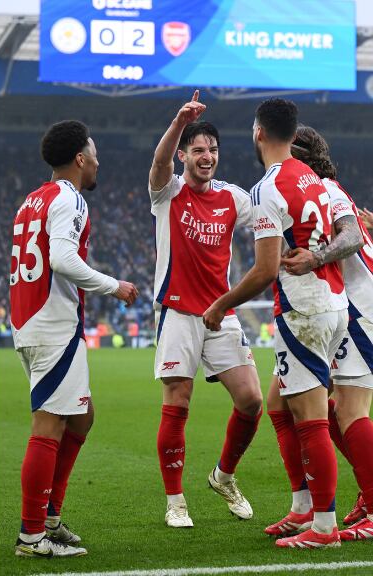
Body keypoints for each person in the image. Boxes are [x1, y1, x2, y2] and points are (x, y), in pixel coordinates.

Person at [202, 98, 363, 548]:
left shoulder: (266, 189)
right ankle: (302, 506)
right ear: (293, 134)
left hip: (303, 309)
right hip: (332, 304)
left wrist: (220, 305)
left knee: (310, 419)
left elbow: (266, 269)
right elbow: (346, 234)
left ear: (258, 133)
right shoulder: (319, 181)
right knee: (278, 404)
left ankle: (324, 526)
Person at [10, 120, 137, 558]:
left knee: (82, 419)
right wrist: (113, 285)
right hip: (51, 324)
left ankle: (49, 515)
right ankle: (31, 536)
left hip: (35, 320)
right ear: (80, 159)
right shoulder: (69, 198)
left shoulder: (33, 199)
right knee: (49, 426)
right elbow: (62, 259)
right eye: (95, 154)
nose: (99, 162)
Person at [149, 91, 262, 528]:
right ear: (183, 155)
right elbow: (159, 165)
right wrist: (179, 121)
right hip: (178, 313)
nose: (207, 156)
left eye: (212, 150)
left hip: (221, 313)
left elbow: (271, 221)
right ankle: (175, 501)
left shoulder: (234, 198)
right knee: (178, 401)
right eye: (198, 150)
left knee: (251, 400)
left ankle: (223, 477)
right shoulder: (168, 191)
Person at [263, 124, 373, 542]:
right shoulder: (313, 188)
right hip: (341, 303)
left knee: (349, 410)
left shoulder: (323, 187)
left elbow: (351, 236)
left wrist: (315, 258)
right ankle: (306, 505)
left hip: (357, 305)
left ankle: (368, 502)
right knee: (280, 401)